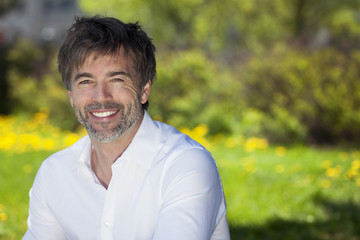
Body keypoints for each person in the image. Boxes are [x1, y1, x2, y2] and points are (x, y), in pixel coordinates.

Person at [23, 16, 230, 240]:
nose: (100, 96)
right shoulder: (55, 174)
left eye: (117, 79)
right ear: (71, 97)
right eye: (86, 81)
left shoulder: (185, 165)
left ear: (144, 90)